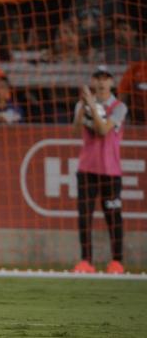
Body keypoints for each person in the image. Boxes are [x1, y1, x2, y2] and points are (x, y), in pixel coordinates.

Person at [72, 66, 127, 274]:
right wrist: (82, 108)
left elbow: (103, 130)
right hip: (87, 168)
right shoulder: (82, 104)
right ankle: (86, 261)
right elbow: (76, 130)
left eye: (106, 78)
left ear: (112, 82)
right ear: (93, 82)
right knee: (84, 216)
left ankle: (117, 261)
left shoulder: (119, 107)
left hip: (111, 171)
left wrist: (92, 107)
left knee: (113, 216)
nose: (102, 82)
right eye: (98, 78)